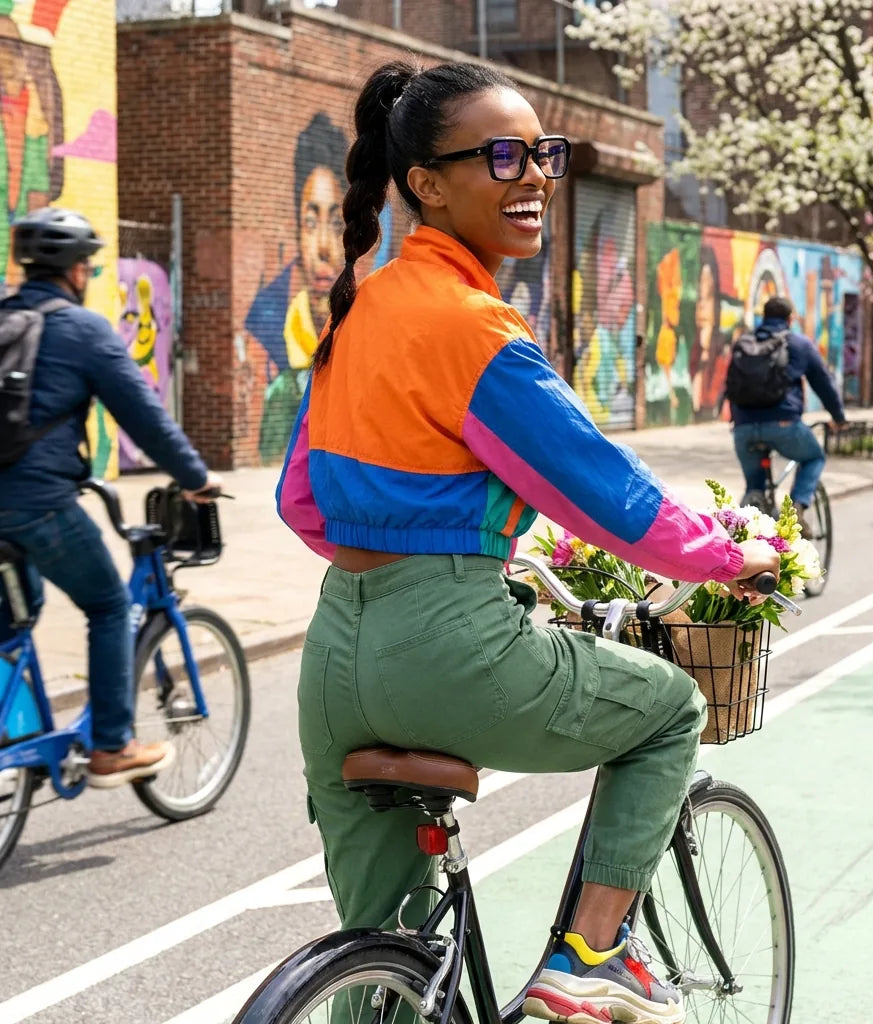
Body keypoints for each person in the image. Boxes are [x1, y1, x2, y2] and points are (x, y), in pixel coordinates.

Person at [277, 60, 780, 1024]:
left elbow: (304, 503)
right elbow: (608, 498)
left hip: (335, 657)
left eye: (541, 153)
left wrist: (422, 547)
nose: (536, 175)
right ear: (426, 183)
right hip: (452, 651)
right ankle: (592, 955)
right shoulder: (476, 326)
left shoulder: (359, 312)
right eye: (502, 155)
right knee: (670, 707)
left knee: (389, 969)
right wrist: (731, 554)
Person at [0, 207, 222, 787]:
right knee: (105, 606)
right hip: (39, 504)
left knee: (14, 623)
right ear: (76, 270)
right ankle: (112, 747)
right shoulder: (82, 331)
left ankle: (13, 730)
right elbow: (146, 419)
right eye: (89, 266)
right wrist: (197, 477)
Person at [245, 113, 348, 461]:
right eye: (309, 222)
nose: (323, 246)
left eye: (336, 223)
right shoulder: (265, 329)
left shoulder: (370, 321)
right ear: (295, 229)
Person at [730, 295, 846, 529]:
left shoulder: (743, 343)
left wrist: (738, 420)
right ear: (790, 318)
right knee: (814, 456)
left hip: (743, 428)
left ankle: (747, 526)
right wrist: (838, 417)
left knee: (754, 488)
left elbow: (731, 385)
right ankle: (797, 507)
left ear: (764, 316)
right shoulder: (799, 344)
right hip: (784, 425)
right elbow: (823, 383)